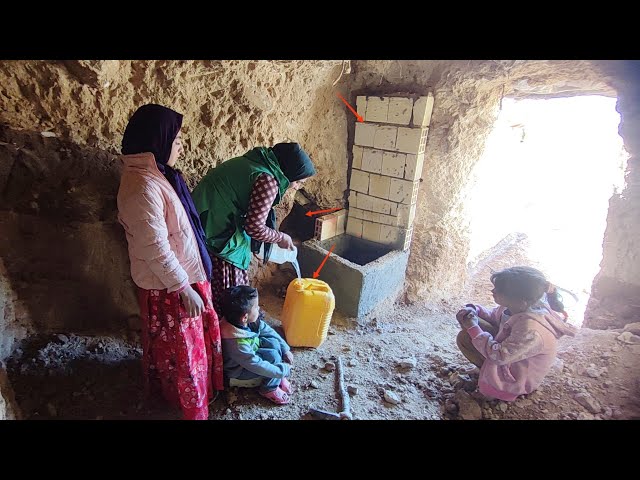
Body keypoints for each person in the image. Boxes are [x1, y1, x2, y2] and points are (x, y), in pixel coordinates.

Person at [117, 103, 223, 420]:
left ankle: (184, 397)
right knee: (182, 352)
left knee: (182, 350)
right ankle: (191, 408)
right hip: (170, 286)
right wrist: (183, 288)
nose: (181, 146)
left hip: (180, 278)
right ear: (158, 141)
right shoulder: (142, 188)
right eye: (176, 141)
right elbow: (155, 247)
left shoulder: (156, 176)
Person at [191, 142, 316, 313]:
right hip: (215, 231)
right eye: (298, 182)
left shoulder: (255, 162)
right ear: (289, 173)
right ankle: (230, 326)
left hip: (202, 218)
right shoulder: (268, 181)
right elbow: (254, 227)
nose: (296, 187)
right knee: (233, 294)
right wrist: (281, 237)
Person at [455, 266, 577, 402]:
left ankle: (497, 388)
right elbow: (496, 316)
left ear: (521, 301)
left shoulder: (532, 330)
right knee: (468, 321)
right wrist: (474, 309)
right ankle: (486, 370)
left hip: (516, 376)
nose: (493, 291)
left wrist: (472, 327)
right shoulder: (517, 305)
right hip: (511, 354)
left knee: (466, 337)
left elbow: (499, 356)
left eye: (499, 291)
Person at [219, 285, 294, 405]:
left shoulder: (243, 321)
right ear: (245, 317)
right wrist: (281, 371)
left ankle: (275, 377)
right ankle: (269, 388)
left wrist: (285, 349)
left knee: (274, 343)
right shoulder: (235, 343)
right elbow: (257, 365)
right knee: (273, 356)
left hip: (251, 355)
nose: (258, 308)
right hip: (239, 373)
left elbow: (268, 331)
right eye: (255, 307)